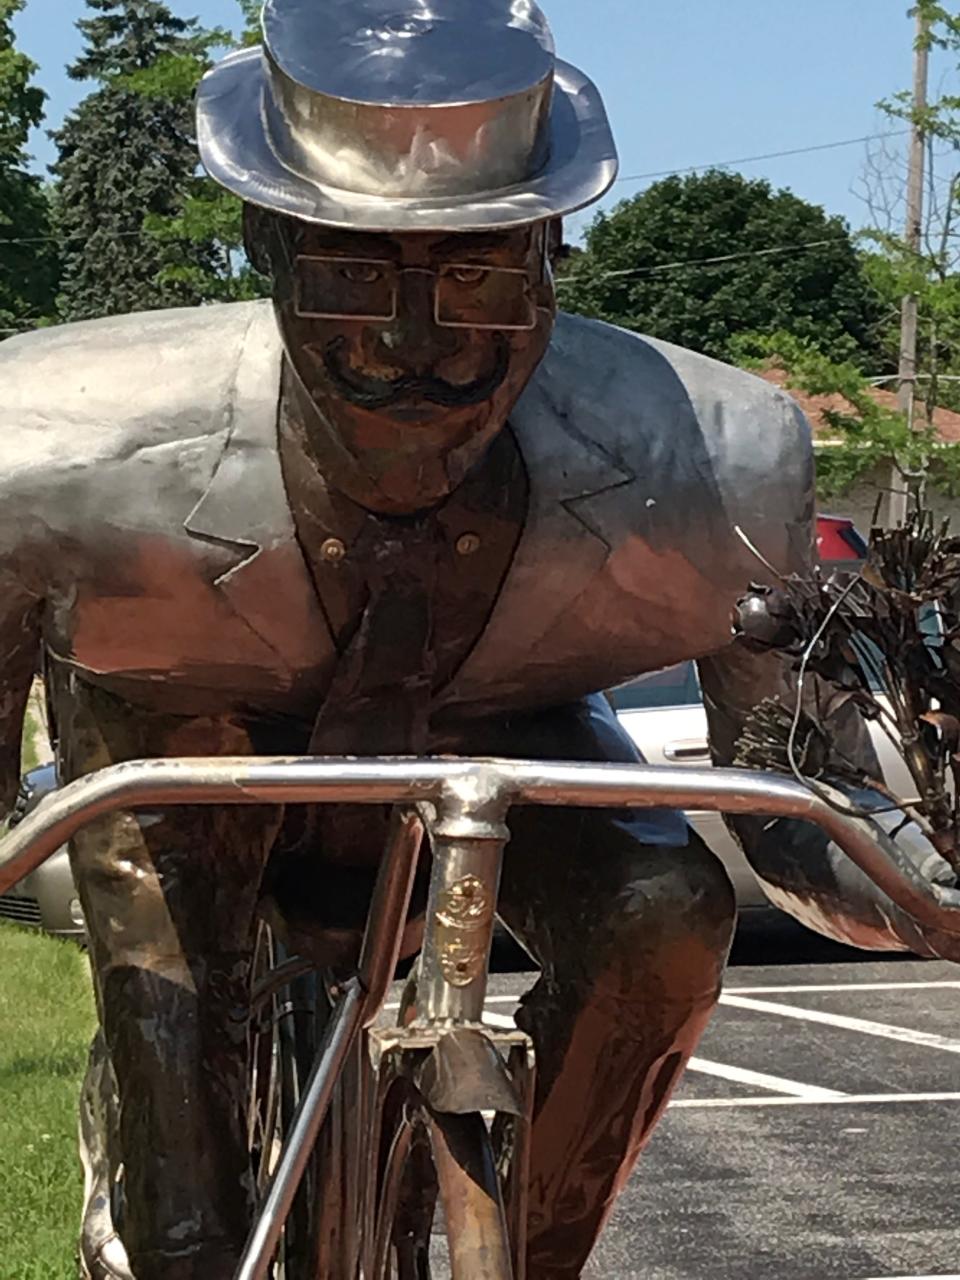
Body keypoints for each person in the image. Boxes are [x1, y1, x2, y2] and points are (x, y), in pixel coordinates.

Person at [1, 1, 957, 1276]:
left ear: (554, 254)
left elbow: (796, 807)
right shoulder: (48, 439)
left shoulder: (717, 458)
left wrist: (922, 883)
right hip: (183, 713)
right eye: (350, 275)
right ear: (268, 247)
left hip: (497, 708)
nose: (414, 344)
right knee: (180, 1148)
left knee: (663, 910)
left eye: (480, 278)